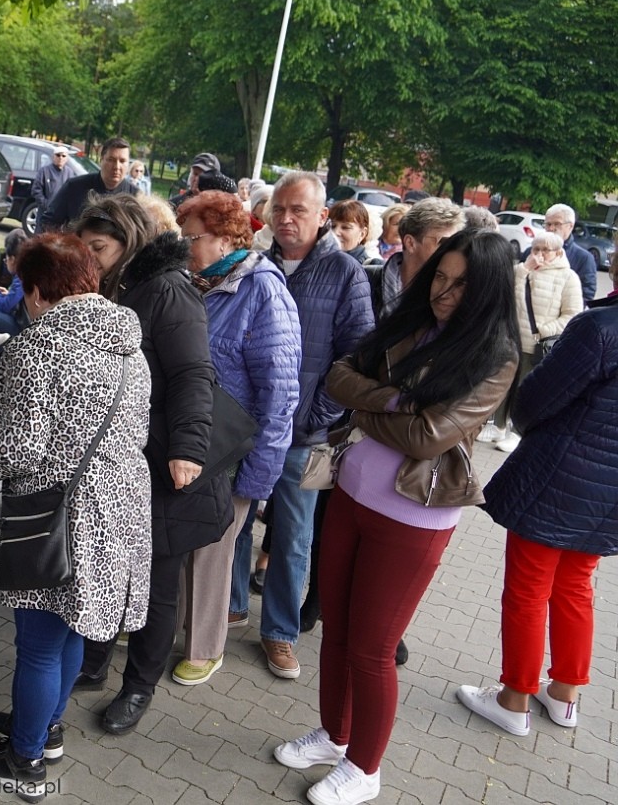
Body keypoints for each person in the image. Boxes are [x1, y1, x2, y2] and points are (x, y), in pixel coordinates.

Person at [273, 228, 518, 805]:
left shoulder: (495, 358)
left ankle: (365, 768)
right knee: (335, 626)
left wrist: (367, 404)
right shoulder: (408, 323)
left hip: (413, 519)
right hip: (351, 496)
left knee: (373, 648)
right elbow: (338, 375)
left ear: (487, 293)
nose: (445, 292)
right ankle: (336, 738)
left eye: (462, 285)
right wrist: (391, 400)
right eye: (440, 277)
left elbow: (430, 437)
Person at [0, 235, 152, 801]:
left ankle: (22, 760)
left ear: (38, 292)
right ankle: (43, 729)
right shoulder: (128, 344)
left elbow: (20, 450)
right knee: (75, 629)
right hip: (117, 505)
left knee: (42, 644)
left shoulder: (35, 348)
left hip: (58, 513)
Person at [70, 194, 232, 737]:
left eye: (100, 247)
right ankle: (92, 663)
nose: (92, 258)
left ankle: (139, 685)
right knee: (105, 569)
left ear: (130, 241)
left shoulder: (168, 290)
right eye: (86, 248)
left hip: (164, 463)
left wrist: (186, 447)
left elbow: (193, 374)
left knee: (157, 586)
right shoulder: (117, 285)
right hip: (120, 458)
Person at [456, 294, 618, 738]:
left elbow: (534, 400)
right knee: (576, 586)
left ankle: (514, 699)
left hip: (561, 476)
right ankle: (564, 695)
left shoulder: (600, 327)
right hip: (609, 492)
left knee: (529, 587)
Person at [242, 171, 374, 681]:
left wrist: (314, 417)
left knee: (293, 537)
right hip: (247, 428)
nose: (287, 219)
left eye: (299, 210)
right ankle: (231, 609)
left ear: (323, 217)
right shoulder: (256, 264)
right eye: (280, 209)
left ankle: (278, 633)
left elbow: (354, 358)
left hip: (305, 435)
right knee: (233, 525)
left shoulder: (346, 275)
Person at [170, 190, 300, 687]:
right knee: (181, 541)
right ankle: (176, 627)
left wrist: (259, 473)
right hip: (193, 438)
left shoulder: (263, 290)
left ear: (227, 237)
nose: (186, 248)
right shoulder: (199, 281)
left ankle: (206, 647)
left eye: (193, 238)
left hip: (232, 449)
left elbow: (281, 391)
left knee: (213, 551)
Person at [481, 231, 582, 453]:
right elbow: (506, 298)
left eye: (545, 250)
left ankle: (516, 432)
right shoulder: (523, 271)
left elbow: (572, 314)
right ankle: (496, 426)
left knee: (524, 390)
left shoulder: (568, 277)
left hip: (537, 345)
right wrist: (524, 270)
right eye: (536, 249)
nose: (539, 254)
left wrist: (544, 331)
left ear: (558, 252)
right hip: (511, 340)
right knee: (502, 385)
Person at [364, 198, 465, 319]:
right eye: (443, 243)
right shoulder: (365, 281)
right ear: (410, 243)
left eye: (454, 243)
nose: (451, 250)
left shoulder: (451, 296)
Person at [36, 138, 138, 235]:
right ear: (101, 160)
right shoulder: (74, 187)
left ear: (128, 164)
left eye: (122, 161)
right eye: (111, 160)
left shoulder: (136, 197)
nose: (117, 166)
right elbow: (48, 222)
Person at [537, 204, 597, 302]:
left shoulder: (584, 259)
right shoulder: (531, 252)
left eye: (557, 224)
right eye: (548, 224)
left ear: (570, 226)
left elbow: (586, 296)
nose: (551, 228)